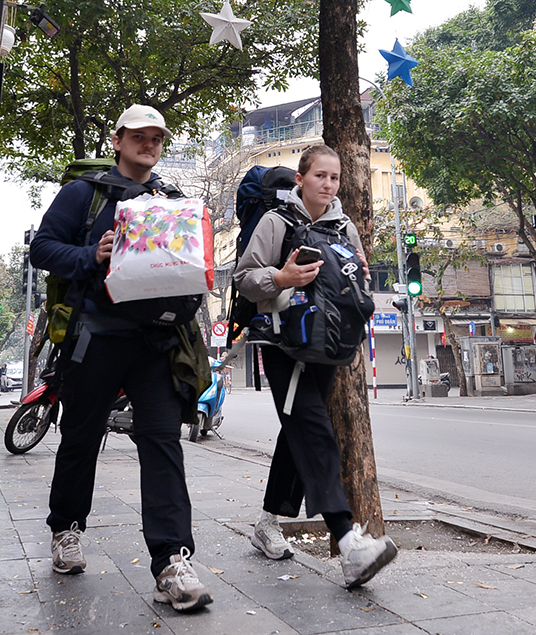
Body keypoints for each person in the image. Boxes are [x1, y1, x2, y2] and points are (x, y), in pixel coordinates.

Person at [29, 104, 212, 612]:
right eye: (139, 135)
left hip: (158, 344)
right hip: (97, 339)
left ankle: (172, 562)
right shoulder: (83, 195)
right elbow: (42, 249)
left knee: (162, 443)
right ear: (117, 139)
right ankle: (65, 530)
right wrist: (93, 255)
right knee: (81, 438)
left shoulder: (173, 200)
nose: (148, 144)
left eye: (157, 138)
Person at [233, 144, 398, 589]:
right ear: (301, 178)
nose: (328, 185)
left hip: (327, 347)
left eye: (335, 178)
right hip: (283, 345)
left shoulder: (345, 227)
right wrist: (282, 278)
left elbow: (356, 281)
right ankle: (348, 543)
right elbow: (244, 279)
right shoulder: (276, 222)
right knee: (314, 428)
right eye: (320, 176)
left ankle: (268, 522)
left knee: (299, 433)